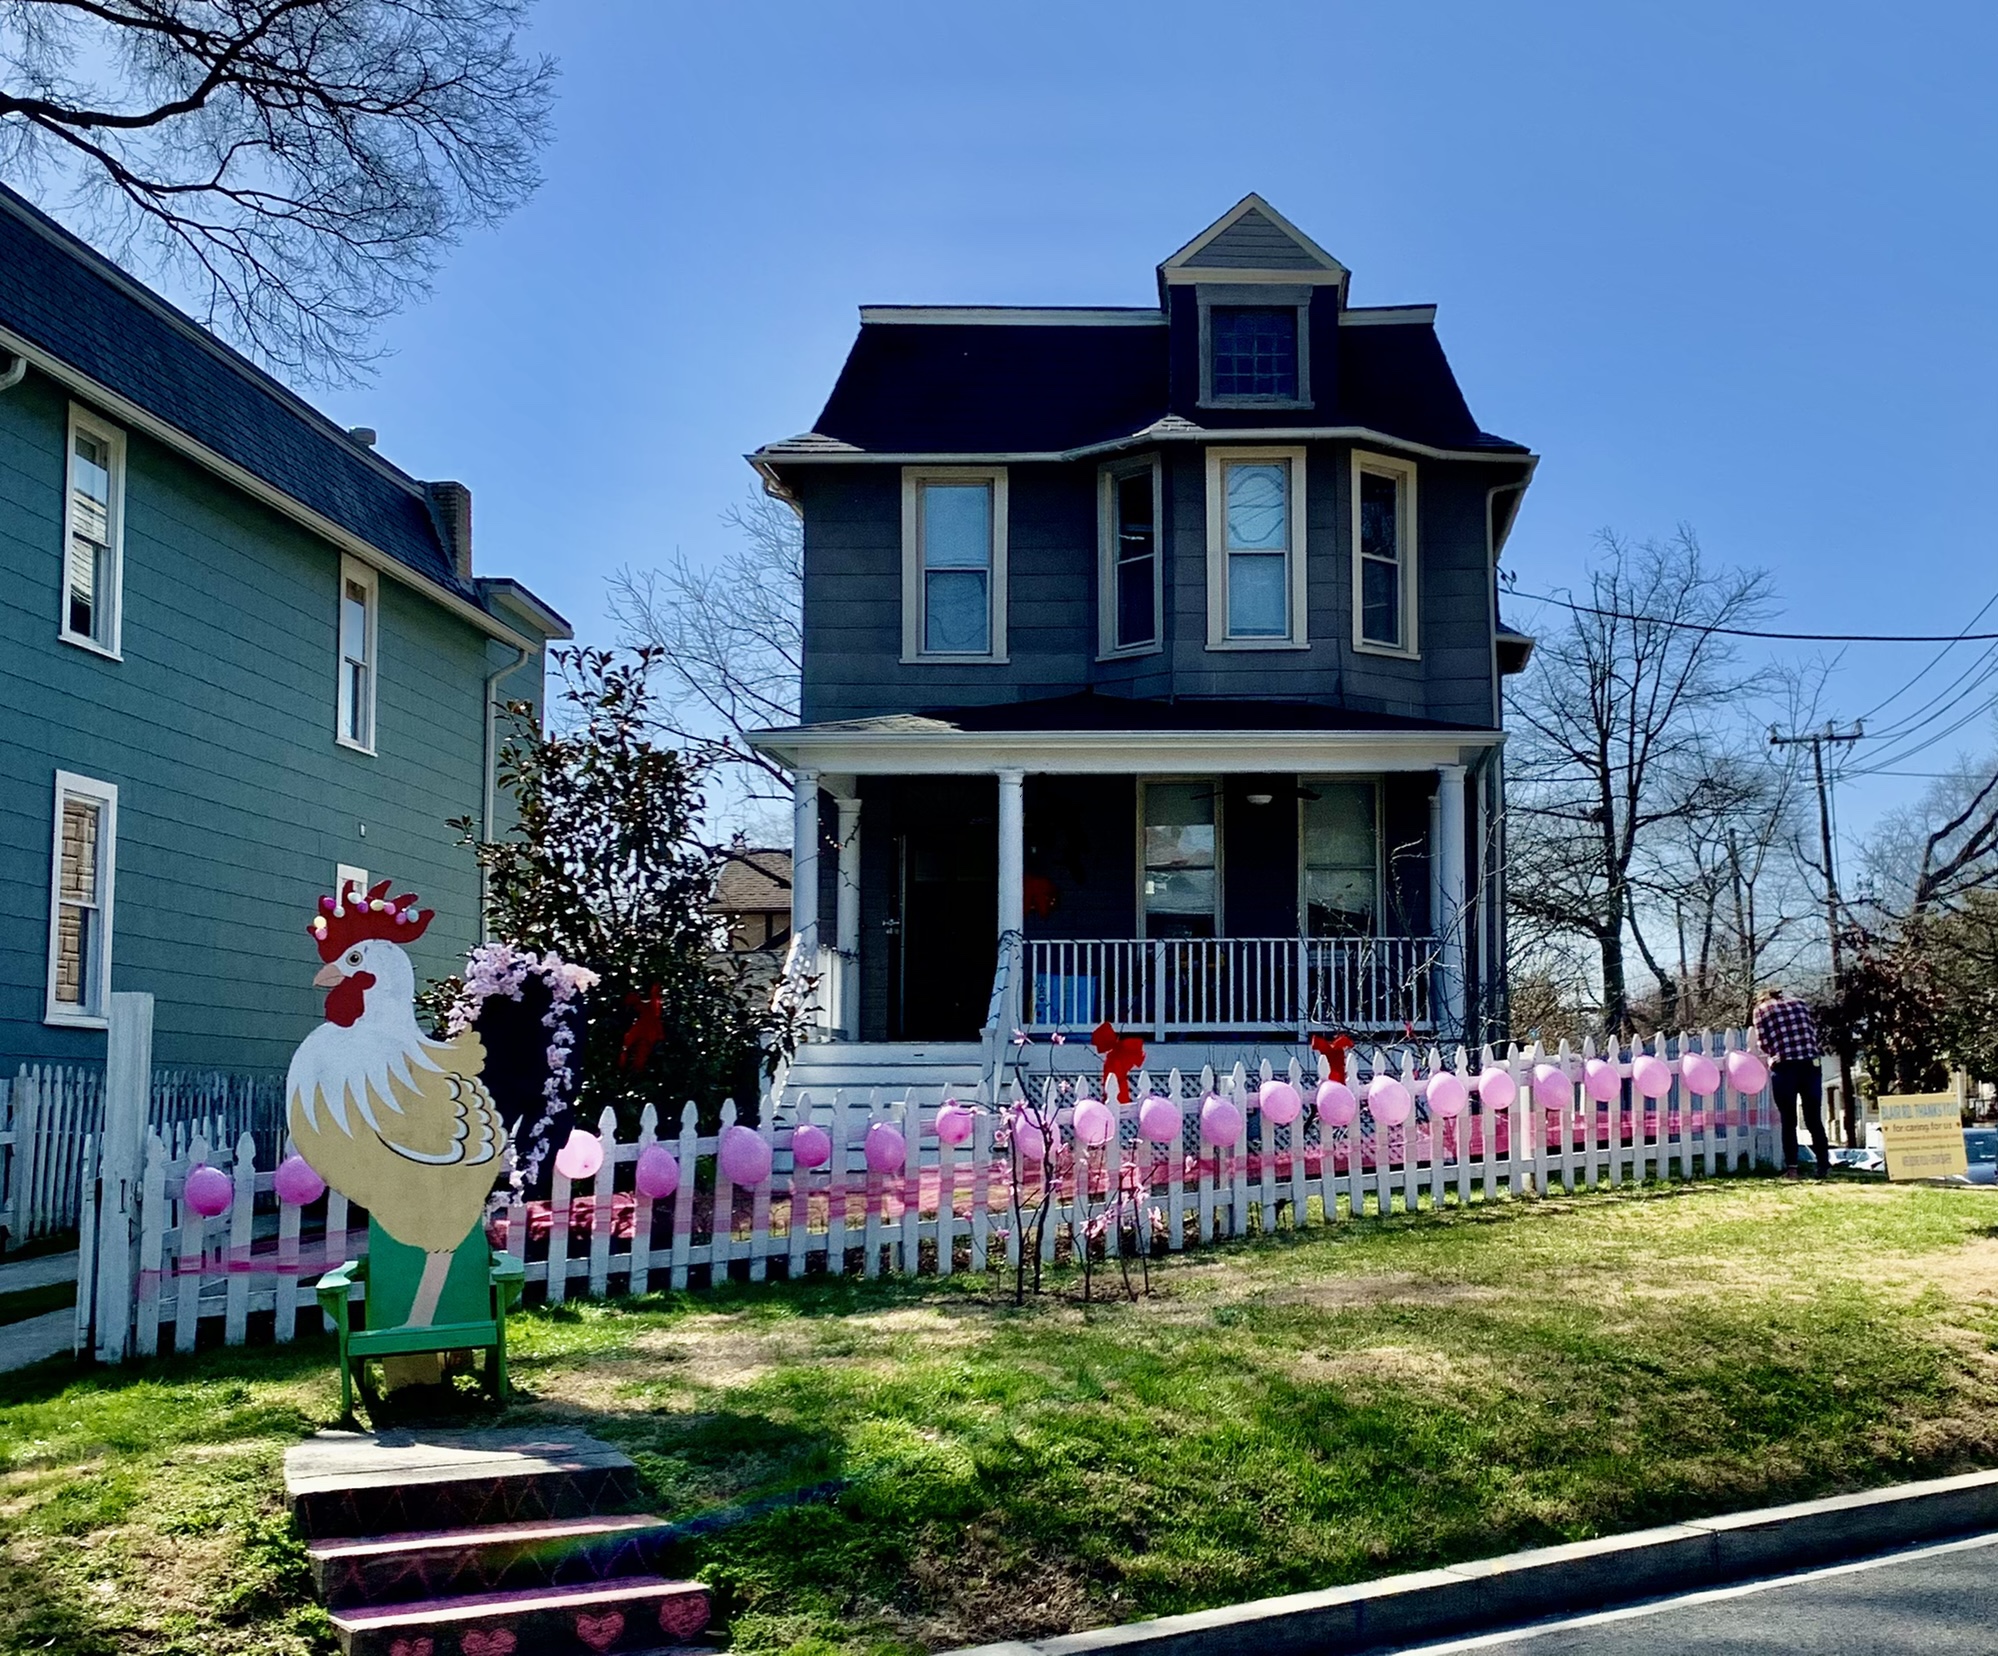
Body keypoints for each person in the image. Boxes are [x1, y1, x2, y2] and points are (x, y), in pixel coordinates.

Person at [1754, 986, 1830, 1179]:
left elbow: (1763, 1042)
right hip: (1811, 1064)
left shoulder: (1761, 1010)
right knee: (1813, 1118)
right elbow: (1812, 1032)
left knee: (1789, 1120)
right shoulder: (1801, 1004)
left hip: (1785, 1066)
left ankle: (1793, 1169)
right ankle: (1822, 1165)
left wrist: (1774, 1053)